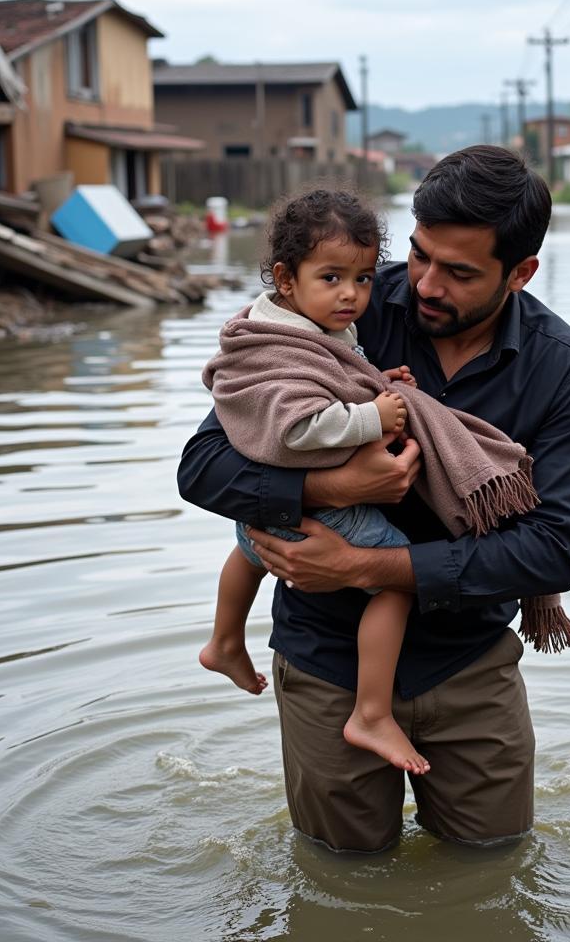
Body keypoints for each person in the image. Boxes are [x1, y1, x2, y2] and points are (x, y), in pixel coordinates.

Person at [178, 145, 570, 853]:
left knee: (494, 869)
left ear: (522, 273)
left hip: (468, 664)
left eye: (460, 272)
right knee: (340, 878)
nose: (425, 284)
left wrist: (363, 567)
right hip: (325, 660)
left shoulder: (565, 372)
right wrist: (333, 487)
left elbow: (554, 550)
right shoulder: (339, 307)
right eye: (418, 255)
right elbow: (204, 466)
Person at [200, 188, 430, 774]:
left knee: (247, 547)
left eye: (363, 278)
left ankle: (224, 640)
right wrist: (373, 416)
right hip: (321, 522)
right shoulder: (282, 342)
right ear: (285, 277)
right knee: (402, 580)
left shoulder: (291, 321)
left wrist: (373, 380)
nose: (350, 295)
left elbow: (332, 378)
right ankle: (371, 712)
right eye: (331, 277)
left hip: (261, 521)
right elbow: (299, 426)